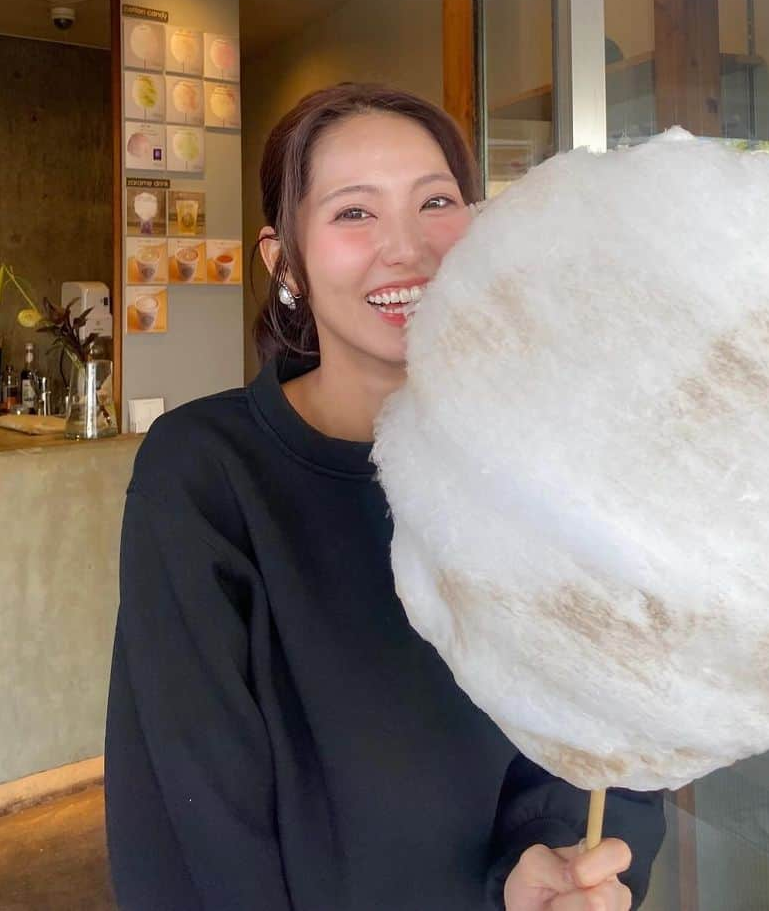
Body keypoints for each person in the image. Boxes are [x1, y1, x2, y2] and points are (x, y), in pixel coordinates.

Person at [105, 82, 666, 910]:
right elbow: (194, 814)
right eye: (353, 213)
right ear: (283, 259)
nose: (406, 248)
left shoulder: (544, 466)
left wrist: (550, 867)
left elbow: (605, 738)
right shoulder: (206, 474)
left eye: (435, 201)